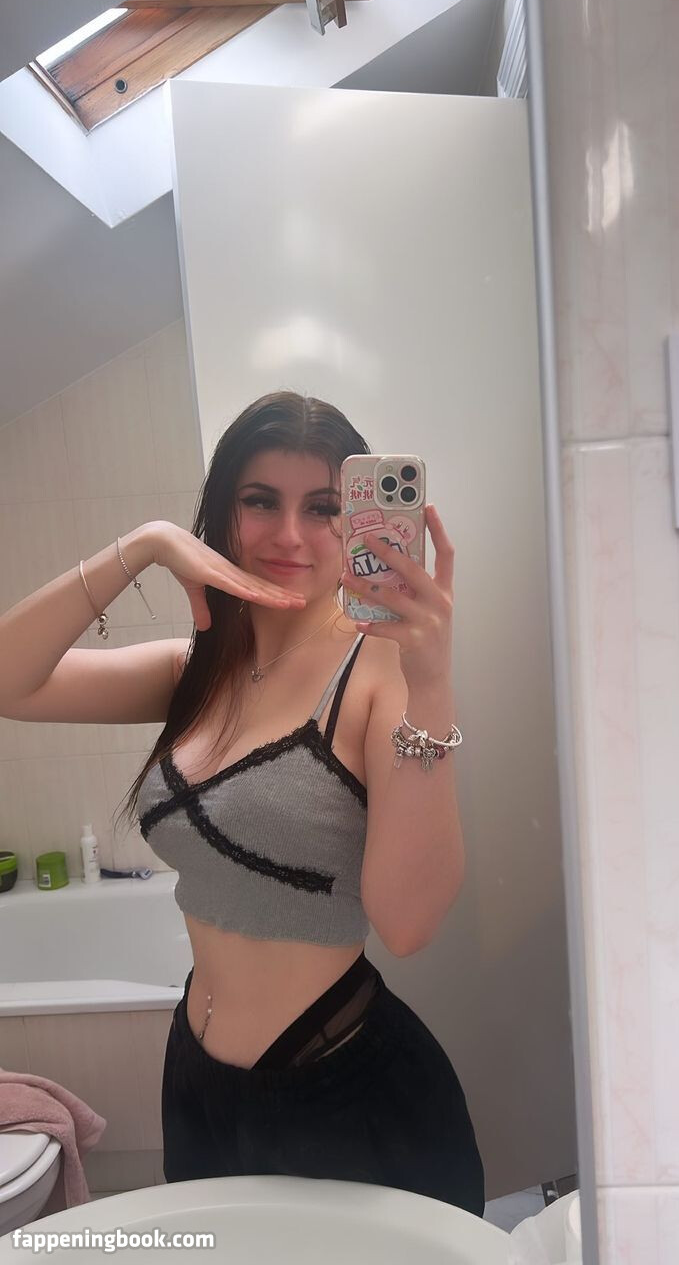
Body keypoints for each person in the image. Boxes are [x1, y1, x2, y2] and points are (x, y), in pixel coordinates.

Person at [0, 390, 485, 1219]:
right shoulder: (195, 670)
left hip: (342, 1088)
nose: (289, 534)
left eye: (323, 507)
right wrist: (144, 546)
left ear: (358, 519)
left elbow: (407, 926)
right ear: (223, 510)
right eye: (260, 501)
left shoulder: (381, 672)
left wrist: (432, 685)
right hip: (195, 1082)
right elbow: (12, 680)